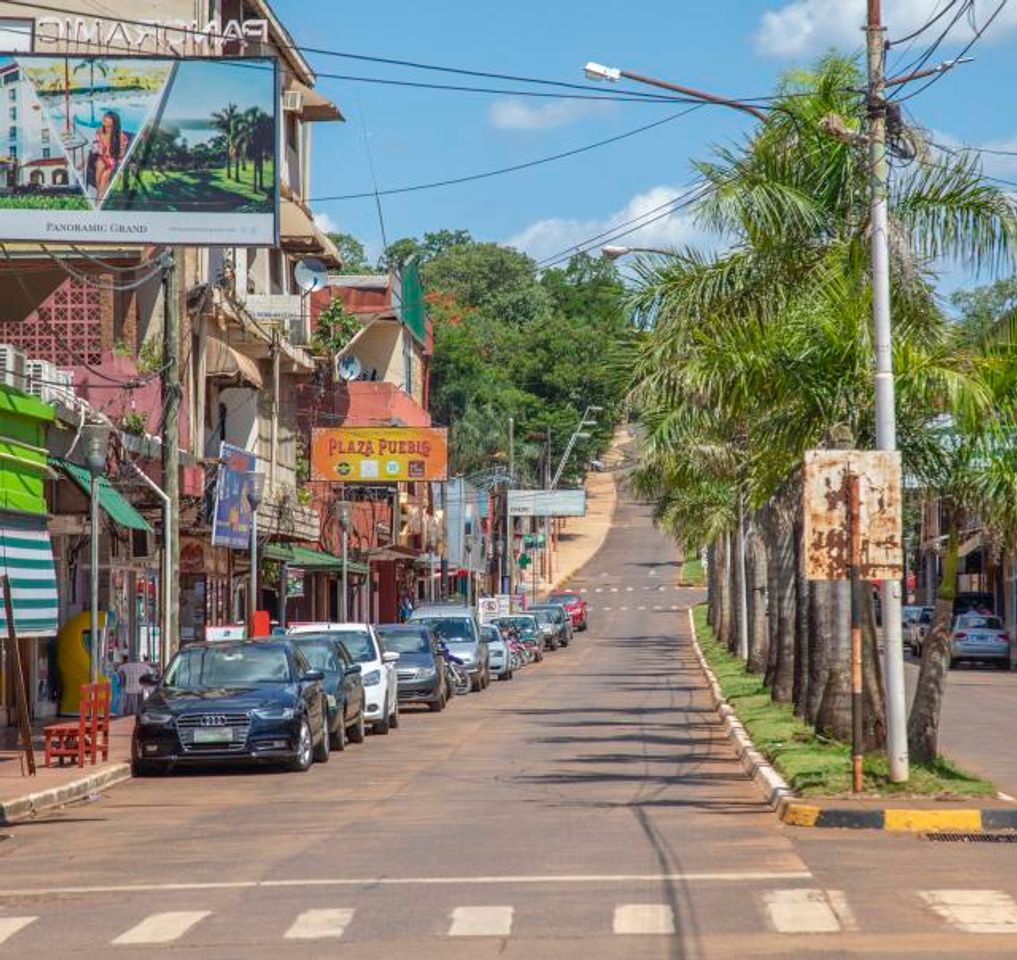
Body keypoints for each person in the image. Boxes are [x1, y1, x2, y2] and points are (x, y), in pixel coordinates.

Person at [90, 111, 129, 200]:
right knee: (100, 168)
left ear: (114, 122)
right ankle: (101, 198)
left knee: (104, 177)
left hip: (113, 160)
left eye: (108, 118)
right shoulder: (99, 132)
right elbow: (94, 149)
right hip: (101, 158)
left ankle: (98, 200)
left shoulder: (120, 136)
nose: (105, 118)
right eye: (105, 116)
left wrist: (121, 170)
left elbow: (121, 155)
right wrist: (98, 148)